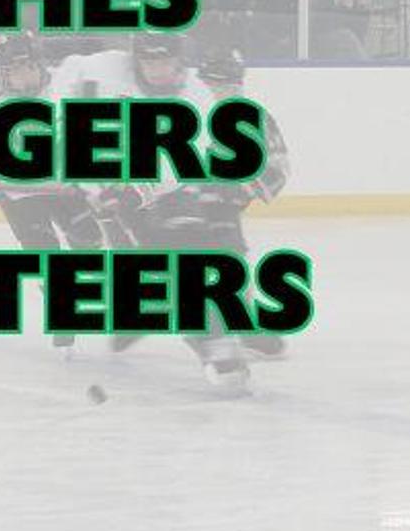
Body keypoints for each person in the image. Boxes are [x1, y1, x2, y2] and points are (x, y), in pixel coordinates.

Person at [55, 34, 252, 392]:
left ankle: (214, 341)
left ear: (179, 61)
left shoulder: (197, 98)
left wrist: (135, 190)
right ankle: (155, 317)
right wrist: (91, 182)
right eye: (149, 61)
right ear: (136, 60)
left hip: (163, 185)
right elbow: (68, 79)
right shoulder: (103, 67)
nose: (157, 70)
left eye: (165, 61)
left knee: (188, 255)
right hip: (110, 175)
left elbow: (178, 164)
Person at [0, 34, 106, 348]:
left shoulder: (64, 92)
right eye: (14, 70)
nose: (23, 77)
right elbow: (4, 174)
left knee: (89, 240)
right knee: (44, 250)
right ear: (3, 74)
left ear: (41, 65)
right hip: (19, 192)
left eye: (29, 68)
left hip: (62, 185)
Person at [197, 44, 290, 360]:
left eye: (230, 85)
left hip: (220, 207)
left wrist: (244, 188)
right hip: (174, 204)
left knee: (230, 257)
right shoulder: (184, 111)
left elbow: (277, 166)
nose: (223, 92)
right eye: (215, 85)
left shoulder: (254, 118)